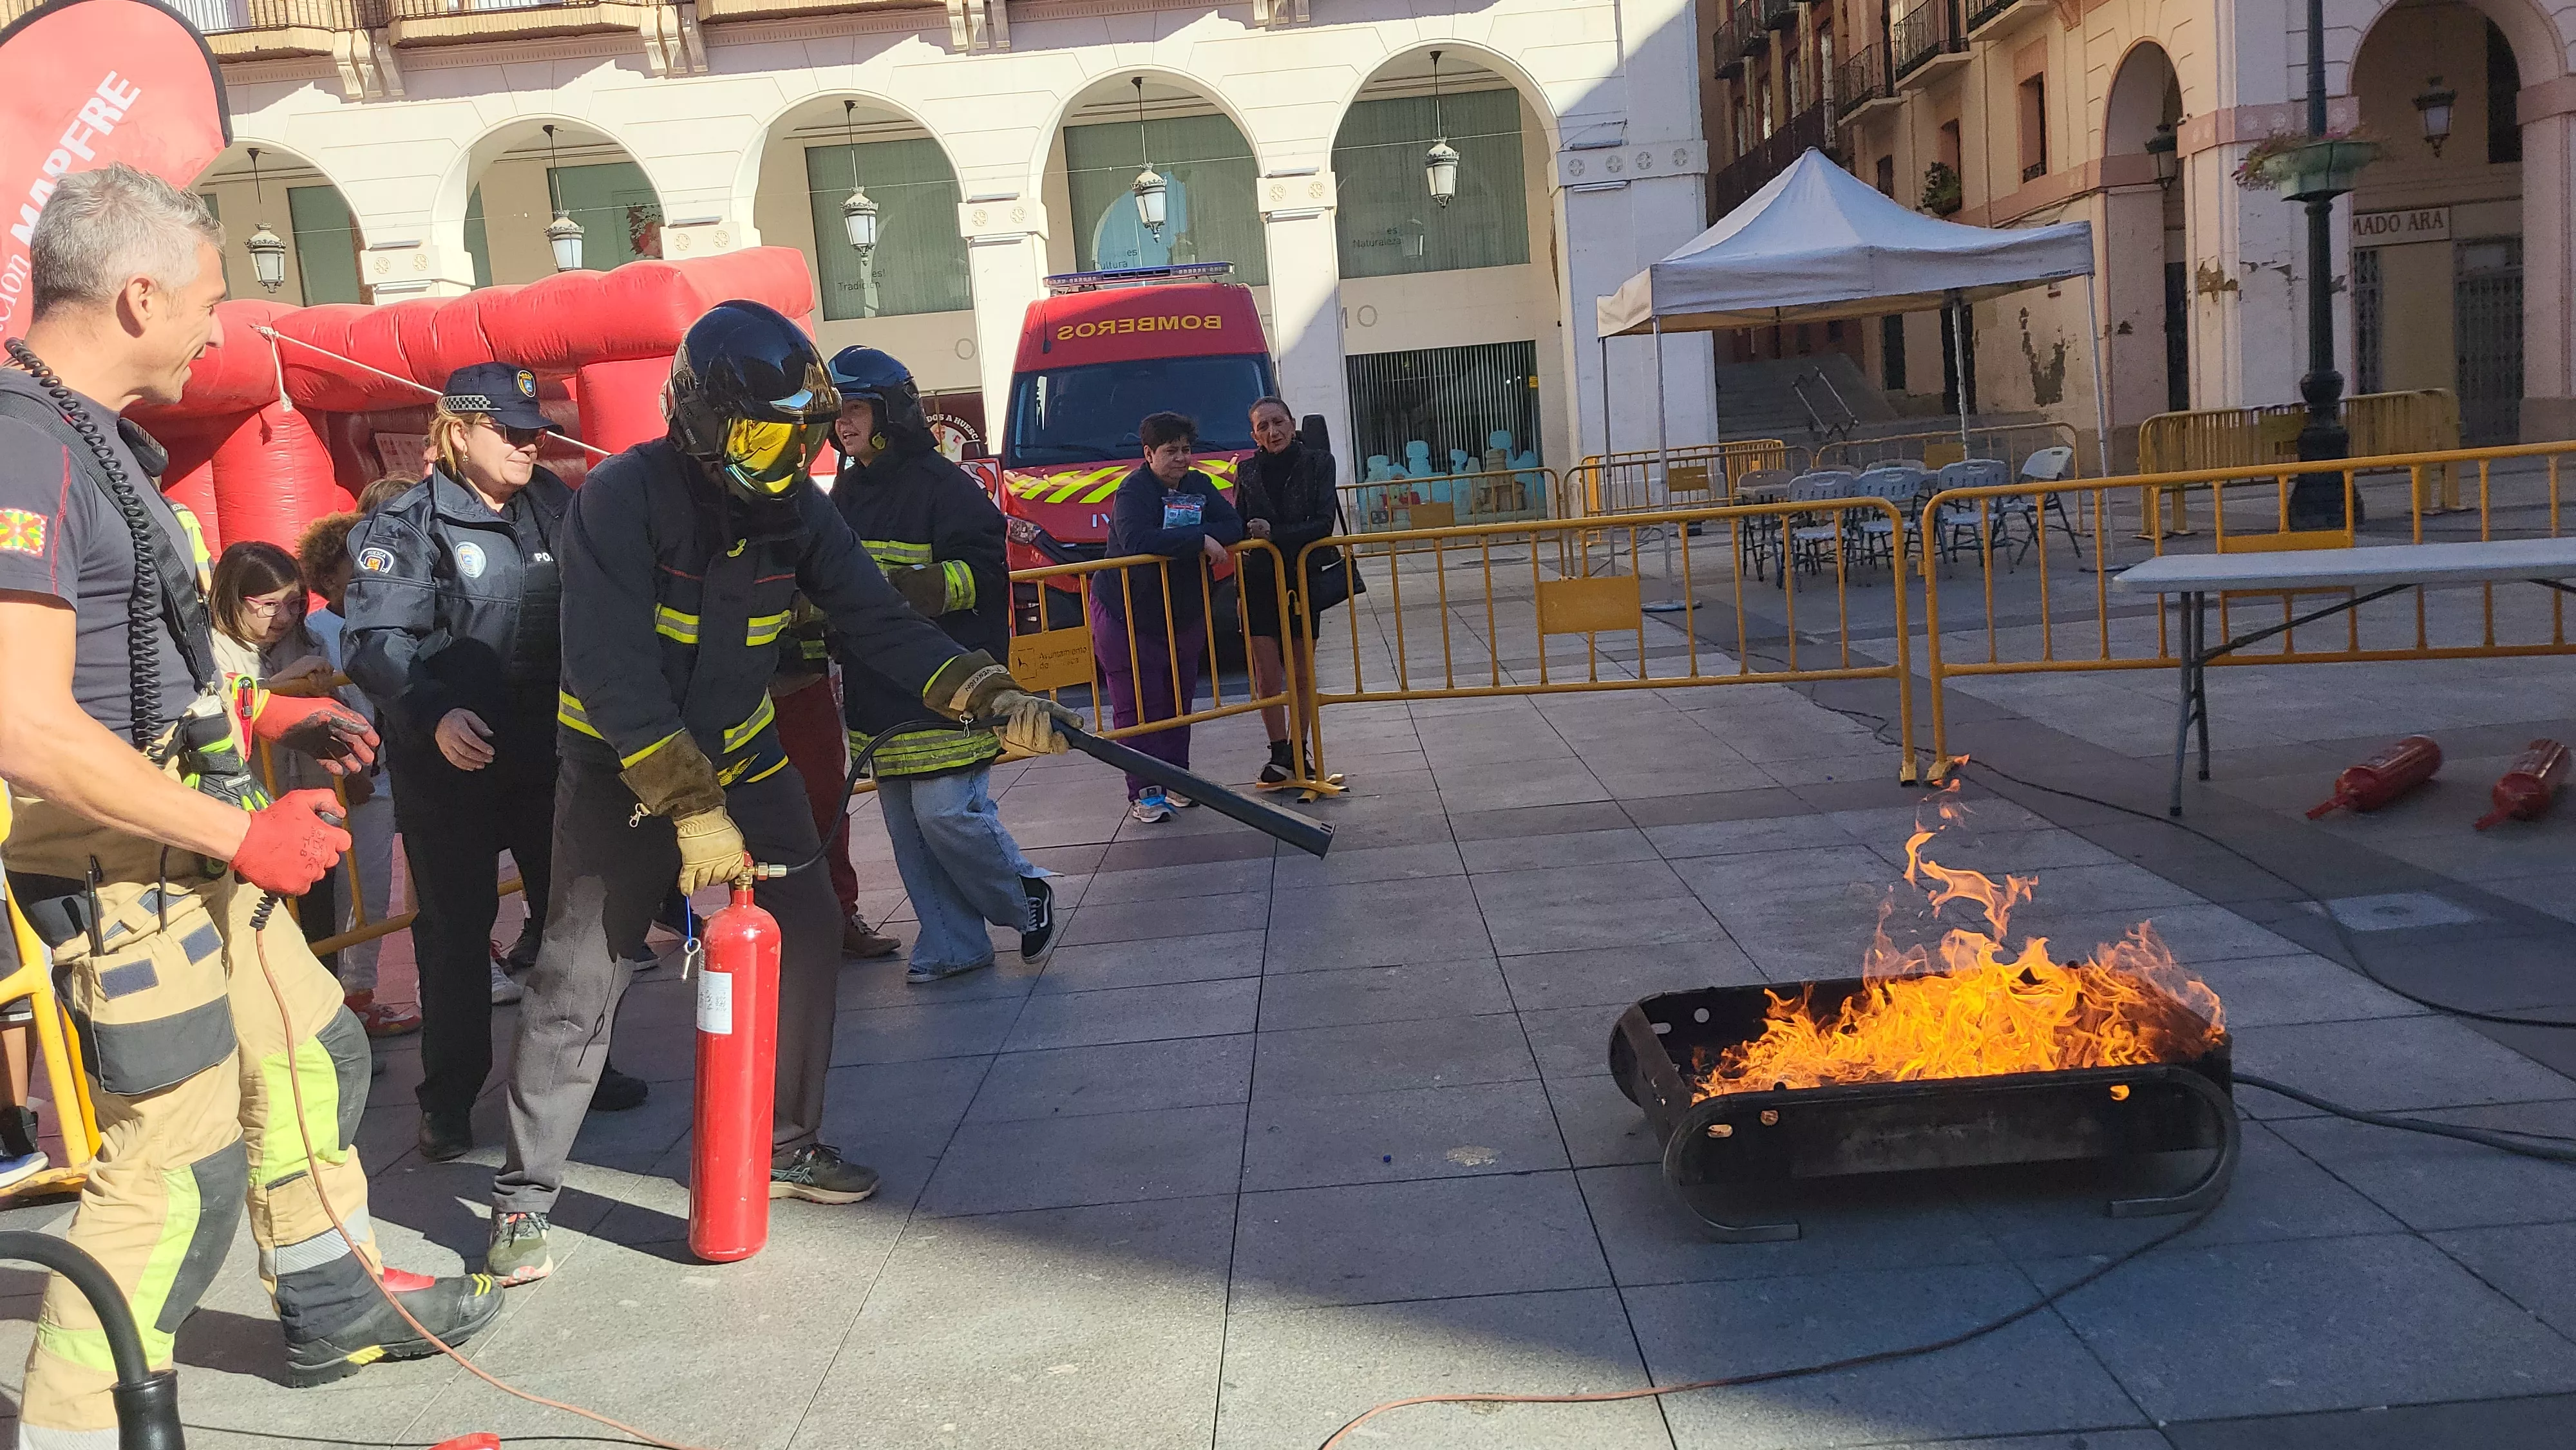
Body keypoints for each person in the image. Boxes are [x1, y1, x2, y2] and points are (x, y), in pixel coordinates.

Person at [0, 164, 500, 1438]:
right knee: (173, 1163)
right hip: (125, 863)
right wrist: (243, 829)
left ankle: (332, 1303)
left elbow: (145, 670)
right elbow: (26, 723)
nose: (219, 329)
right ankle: (71, 1426)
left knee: (311, 1048)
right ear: (135, 294)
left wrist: (275, 720)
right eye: (208, 301)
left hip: (188, 842)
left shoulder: (87, 431)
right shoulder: (19, 443)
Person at [483, 300, 1075, 1285]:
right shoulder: (620, 499)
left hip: (747, 756)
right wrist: (687, 803)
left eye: (801, 435)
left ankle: (788, 1142)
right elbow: (614, 671)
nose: (786, 458)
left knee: (805, 928)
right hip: (620, 768)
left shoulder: (799, 508)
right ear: (702, 419)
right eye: (764, 433)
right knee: (583, 973)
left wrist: (981, 689)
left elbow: (877, 623)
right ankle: (522, 1200)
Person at [343, 364, 649, 1165]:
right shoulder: (408, 524)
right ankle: (447, 1099)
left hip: (553, 754)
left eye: (533, 429)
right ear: (457, 430)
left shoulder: (555, 501)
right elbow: (376, 643)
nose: (527, 443)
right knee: (454, 934)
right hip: (451, 764)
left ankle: (583, 1066)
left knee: (573, 924)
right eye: (509, 430)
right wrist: (432, 714)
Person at [826, 345, 1059, 984]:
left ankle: (1025, 892)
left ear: (889, 413)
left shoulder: (942, 485)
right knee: (908, 827)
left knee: (947, 816)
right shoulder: (847, 486)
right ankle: (954, 942)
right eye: (837, 412)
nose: (843, 424)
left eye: (854, 409)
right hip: (878, 687)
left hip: (946, 683)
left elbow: (983, 573)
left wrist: (902, 591)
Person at [207, 542, 363, 998]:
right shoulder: (211, 648)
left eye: (295, 604)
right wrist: (276, 687)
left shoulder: (307, 638)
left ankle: (329, 1008)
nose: (284, 617)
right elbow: (217, 715)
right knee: (260, 926)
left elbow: (338, 714)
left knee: (322, 918)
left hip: (312, 803)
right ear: (234, 600)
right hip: (251, 809)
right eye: (268, 606)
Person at [1087, 411, 1242, 824]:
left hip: (1183, 611)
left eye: (1186, 450)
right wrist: (1198, 539)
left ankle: (1177, 781)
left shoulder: (1198, 485)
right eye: (1171, 451)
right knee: (1136, 704)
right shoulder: (1133, 492)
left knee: (1178, 700)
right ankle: (1145, 792)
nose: (1180, 459)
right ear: (1149, 454)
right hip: (1126, 615)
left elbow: (1233, 524)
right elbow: (1137, 538)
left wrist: (1206, 536)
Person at [293, 513, 413, 1037]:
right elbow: (320, 700)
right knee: (351, 894)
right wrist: (346, 769)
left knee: (376, 889)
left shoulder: (392, 615)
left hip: (390, 772)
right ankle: (342, 1001)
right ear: (329, 580)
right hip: (350, 780)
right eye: (351, 569)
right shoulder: (318, 631)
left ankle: (359, 991)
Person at [769, 598, 900, 961]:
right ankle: (766, 926)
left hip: (798, 676)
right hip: (722, 684)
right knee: (746, 811)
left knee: (825, 801)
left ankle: (841, 916)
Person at [1235, 397, 1341, 784]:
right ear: (1254, 434)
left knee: (1300, 671)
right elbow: (1239, 520)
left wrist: (1273, 534)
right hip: (1259, 580)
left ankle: (1300, 749)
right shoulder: (1245, 470)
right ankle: (1279, 750)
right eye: (1263, 427)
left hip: (1301, 577)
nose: (1272, 432)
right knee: (1266, 674)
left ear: (1293, 424)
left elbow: (1323, 523)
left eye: (1278, 423)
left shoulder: (1318, 463)